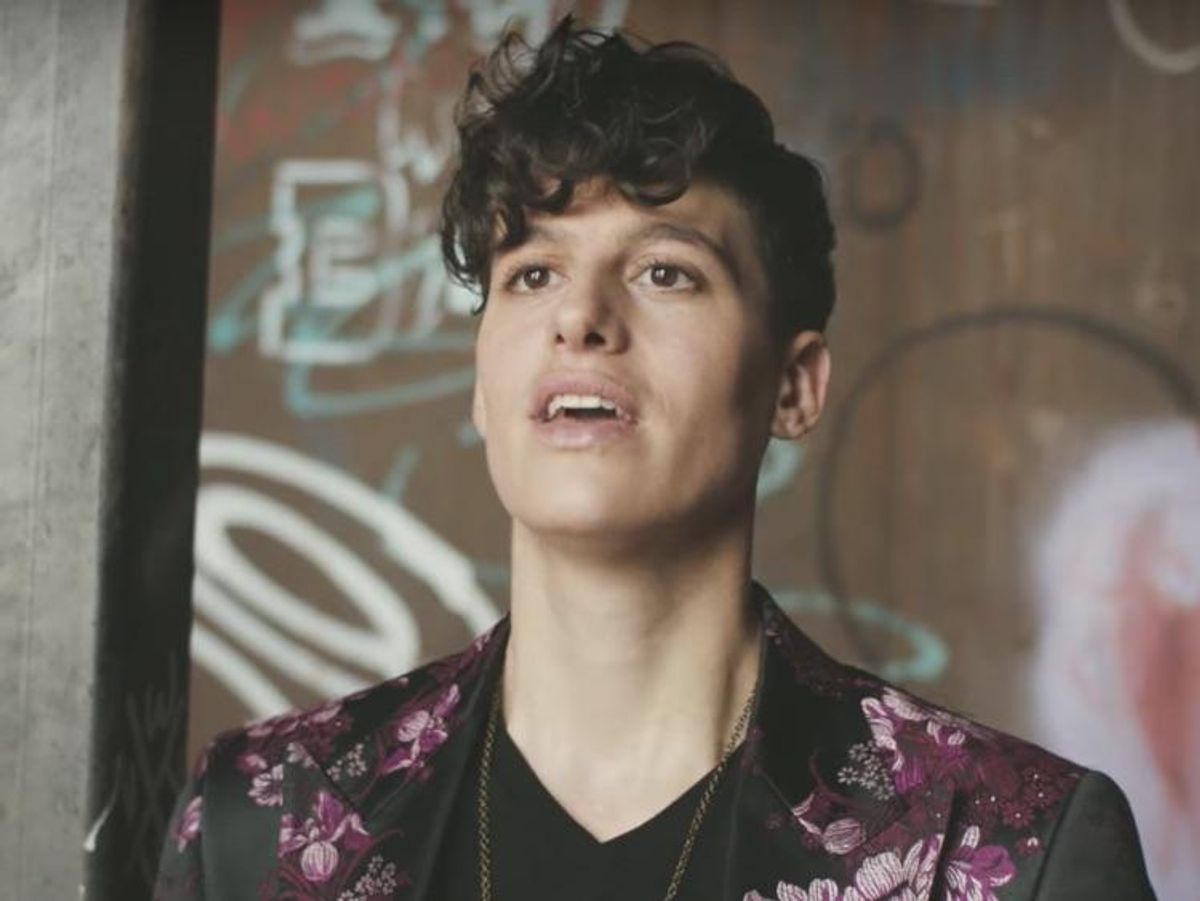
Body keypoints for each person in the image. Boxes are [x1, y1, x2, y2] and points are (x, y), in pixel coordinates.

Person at [155, 15, 1155, 900]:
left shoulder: (1007, 848)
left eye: (666, 271)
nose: (581, 317)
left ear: (794, 386)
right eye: (533, 272)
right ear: (482, 383)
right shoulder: (267, 819)